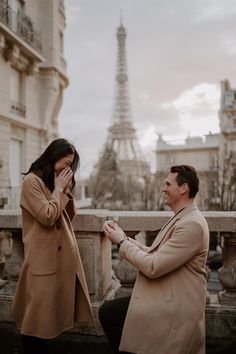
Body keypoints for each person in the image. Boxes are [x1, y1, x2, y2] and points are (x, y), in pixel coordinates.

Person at [99, 165, 209, 354]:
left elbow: (153, 265)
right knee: (110, 312)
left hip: (175, 305)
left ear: (183, 188)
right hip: (168, 296)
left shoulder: (191, 224)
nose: (163, 188)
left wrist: (121, 244)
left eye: (168, 184)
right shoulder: (183, 217)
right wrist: (124, 238)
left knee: (110, 312)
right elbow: (154, 252)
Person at [12, 138, 94, 354]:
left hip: (57, 259)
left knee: (47, 321)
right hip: (42, 260)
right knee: (36, 321)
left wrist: (64, 191)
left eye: (71, 165)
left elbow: (68, 216)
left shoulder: (51, 182)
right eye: (66, 163)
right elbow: (47, 216)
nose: (68, 169)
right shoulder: (32, 182)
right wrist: (59, 190)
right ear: (53, 157)